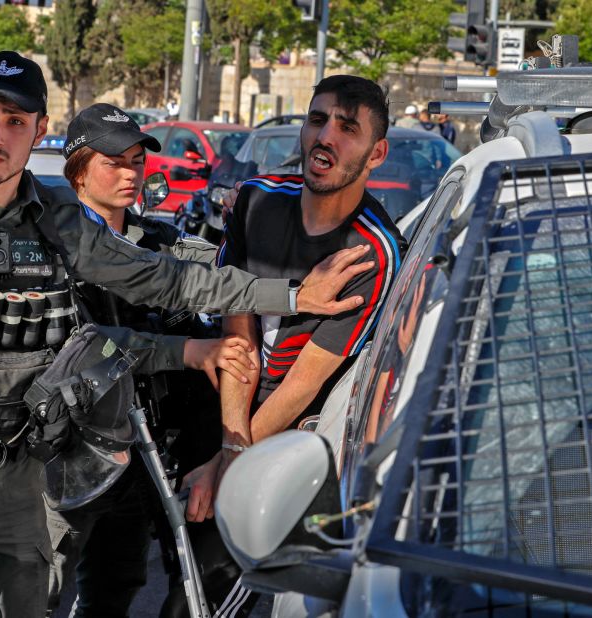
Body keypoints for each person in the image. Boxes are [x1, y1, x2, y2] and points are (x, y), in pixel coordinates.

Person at [0, 50, 371, 618]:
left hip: (21, 481)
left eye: (15, 122)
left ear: (39, 130)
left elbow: (169, 281)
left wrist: (290, 296)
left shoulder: (60, 220)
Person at [183, 74, 407, 616]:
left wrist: (229, 462)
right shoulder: (257, 200)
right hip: (225, 405)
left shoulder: (375, 250)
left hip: (294, 438)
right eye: (317, 119)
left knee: (222, 589)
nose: (325, 136)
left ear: (377, 153)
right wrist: (229, 445)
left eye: (347, 127)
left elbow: (305, 382)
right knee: (183, 576)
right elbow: (236, 332)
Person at [44, 103, 252, 617]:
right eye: (114, 161)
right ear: (78, 169)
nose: (131, 172)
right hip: (73, 447)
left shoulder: (155, 239)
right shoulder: (50, 246)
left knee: (121, 583)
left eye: (137, 160)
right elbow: (84, 347)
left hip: (147, 448)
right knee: (38, 586)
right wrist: (186, 350)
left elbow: (218, 270)